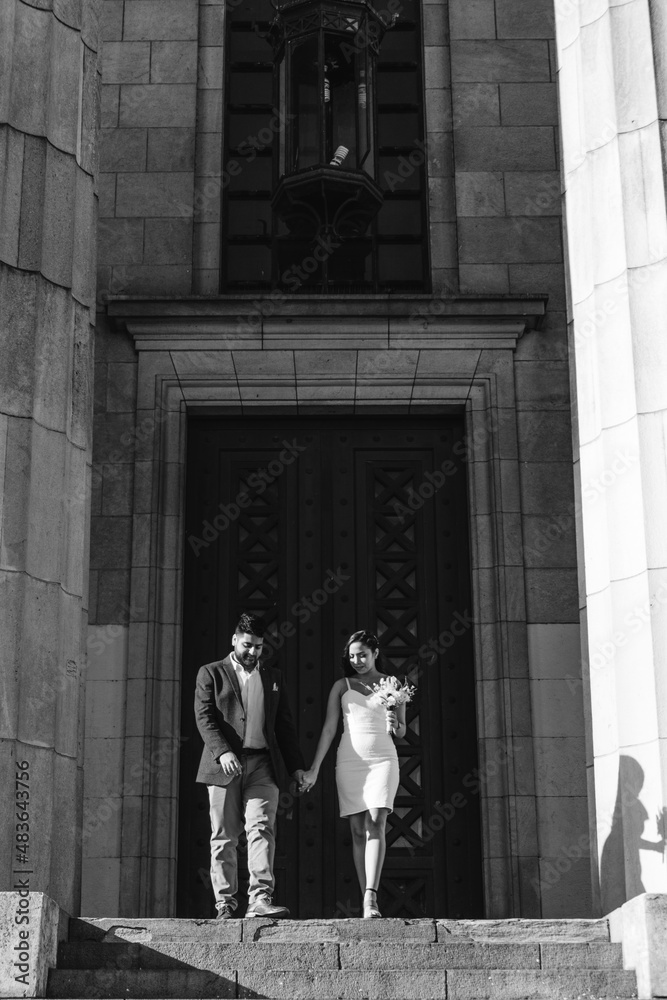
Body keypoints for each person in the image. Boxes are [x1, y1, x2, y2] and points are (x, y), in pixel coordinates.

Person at [195, 612, 305, 919]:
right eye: (247, 645)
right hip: (223, 768)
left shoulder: (273, 677)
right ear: (234, 640)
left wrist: (296, 767)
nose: (252, 652)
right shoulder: (211, 672)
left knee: (261, 829)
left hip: (262, 765)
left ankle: (259, 898)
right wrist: (222, 752)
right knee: (225, 836)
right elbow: (204, 717)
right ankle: (225, 905)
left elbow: (284, 726)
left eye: (258, 646)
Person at [300, 630, 406, 918]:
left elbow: (402, 732)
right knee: (358, 831)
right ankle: (366, 898)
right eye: (352, 656)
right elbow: (329, 729)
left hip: (383, 759)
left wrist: (395, 720)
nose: (357, 660)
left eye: (362, 654)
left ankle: (371, 896)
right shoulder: (341, 686)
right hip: (350, 760)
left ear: (375, 652)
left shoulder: (392, 684)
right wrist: (314, 769)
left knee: (376, 820)